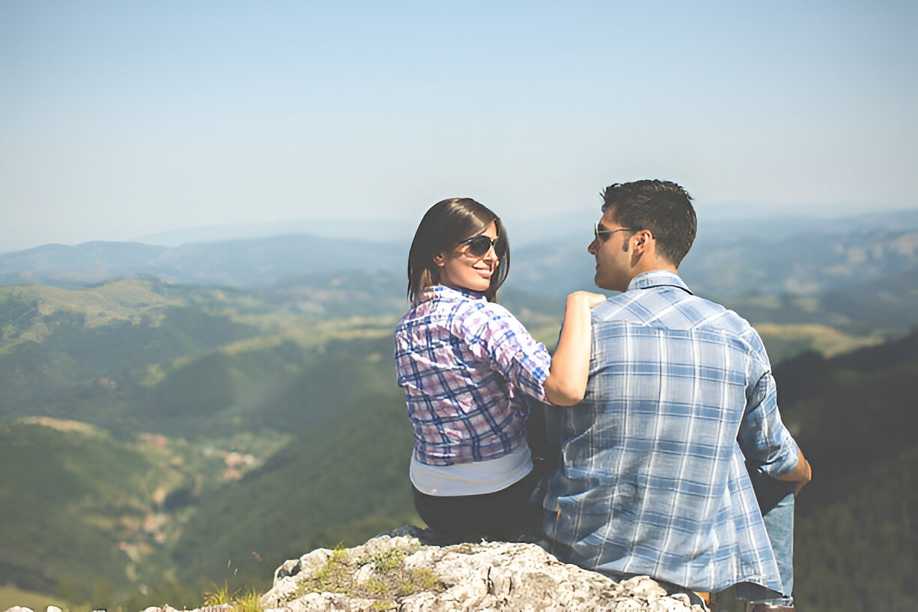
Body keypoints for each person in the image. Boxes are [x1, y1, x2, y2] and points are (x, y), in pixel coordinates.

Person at [541, 180, 812, 610]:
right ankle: (773, 603)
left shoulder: (590, 329)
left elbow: (547, 436)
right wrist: (801, 474)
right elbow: (774, 455)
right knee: (755, 465)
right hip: (693, 562)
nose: (592, 246)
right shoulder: (737, 333)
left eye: (602, 234)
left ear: (640, 242)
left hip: (588, 549)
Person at [394, 197, 604, 543]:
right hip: (500, 498)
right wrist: (578, 306)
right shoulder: (484, 318)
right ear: (439, 254)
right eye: (478, 245)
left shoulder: (407, 326)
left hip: (431, 500)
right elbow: (563, 390)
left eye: (496, 247)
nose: (492, 257)